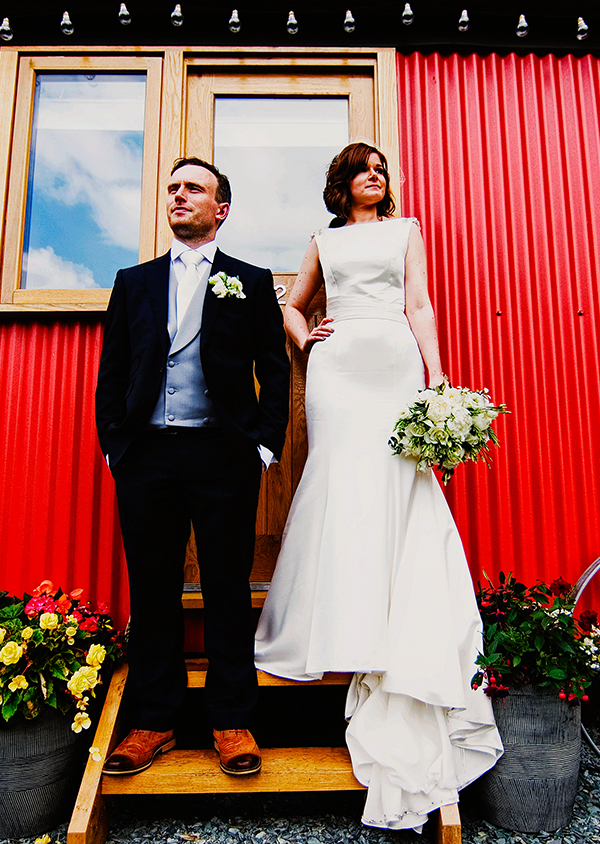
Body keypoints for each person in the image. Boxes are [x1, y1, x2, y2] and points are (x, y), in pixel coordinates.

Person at [254, 142, 503, 829]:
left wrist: (438, 378)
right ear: (342, 183)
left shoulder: (406, 231)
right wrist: (306, 338)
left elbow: (418, 303)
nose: (375, 175)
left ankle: (394, 616)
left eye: (381, 168)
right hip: (338, 369)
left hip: (392, 361)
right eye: (363, 168)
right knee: (339, 480)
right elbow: (292, 304)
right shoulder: (320, 241)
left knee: (396, 480)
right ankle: (333, 621)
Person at [96, 157, 289, 777]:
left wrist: (264, 443)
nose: (179, 195)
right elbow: (114, 368)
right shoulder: (134, 281)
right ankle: (154, 721)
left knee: (227, 588)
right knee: (153, 590)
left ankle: (230, 720)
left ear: (220, 209)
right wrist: (114, 444)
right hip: (146, 456)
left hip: (221, 455)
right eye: (173, 188)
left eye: (194, 188)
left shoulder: (250, 281)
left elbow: (274, 367)